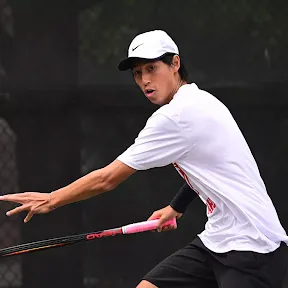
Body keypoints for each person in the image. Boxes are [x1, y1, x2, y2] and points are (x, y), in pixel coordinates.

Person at [0, 30, 287, 288]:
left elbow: (107, 179)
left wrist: (51, 199)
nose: (145, 80)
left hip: (254, 249)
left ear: (175, 64)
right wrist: (176, 207)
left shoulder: (175, 116)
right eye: (138, 73)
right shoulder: (201, 101)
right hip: (219, 240)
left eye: (152, 68)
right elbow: (211, 169)